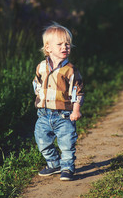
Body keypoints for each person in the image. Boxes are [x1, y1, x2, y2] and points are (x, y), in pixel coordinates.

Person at [32, 22, 84, 181]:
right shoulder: (41, 67)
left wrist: (76, 110)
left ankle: (67, 168)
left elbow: (77, 91)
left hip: (64, 115)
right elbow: (36, 83)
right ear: (48, 48)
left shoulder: (70, 70)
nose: (65, 47)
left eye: (67, 44)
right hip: (43, 114)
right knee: (42, 140)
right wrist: (39, 96)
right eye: (60, 44)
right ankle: (54, 164)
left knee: (66, 143)